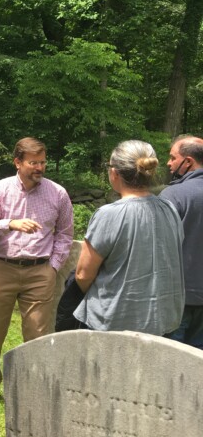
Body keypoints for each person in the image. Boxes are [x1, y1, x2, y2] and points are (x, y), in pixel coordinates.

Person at [0, 137, 73, 406]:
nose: (39, 167)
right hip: (1, 269)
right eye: (33, 163)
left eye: (42, 162)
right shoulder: (1, 190)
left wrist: (53, 267)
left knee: (37, 333)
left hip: (39, 271)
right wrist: (11, 223)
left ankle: (34, 386)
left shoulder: (58, 193)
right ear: (18, 162)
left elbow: (64, 235)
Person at [74, 140, 184, 334]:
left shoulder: (108, 214)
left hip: (114, 321)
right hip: (162, 320)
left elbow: (83, 274)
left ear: (115, 173)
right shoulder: (170, 209)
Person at [161, 135, 203, 348]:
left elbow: (158, 247)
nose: (168, 163)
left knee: (168, 366)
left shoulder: (174, 195)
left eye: (172, 157)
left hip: (178, 299)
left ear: (188, 161)